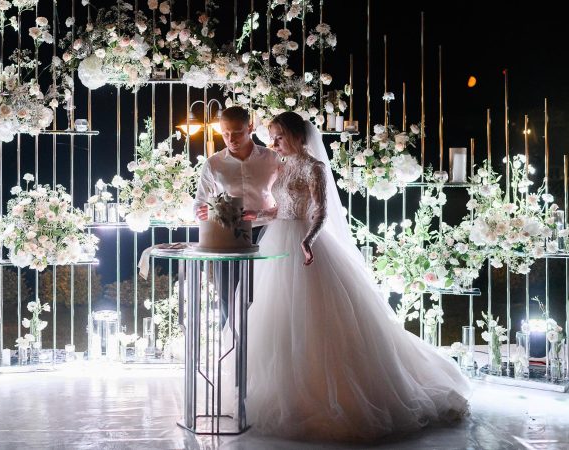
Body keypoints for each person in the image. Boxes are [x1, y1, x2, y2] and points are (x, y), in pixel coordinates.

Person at [243, 111, 470, 442]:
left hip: (306, 244)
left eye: (279, 137)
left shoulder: (314, 167)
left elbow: (320, 211)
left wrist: (308, 240)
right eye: (272, 137)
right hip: (278, 241)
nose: (274, 143)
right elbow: (282, 208)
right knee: (276, 315)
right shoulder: (282, 166)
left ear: (297, 136)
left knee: (316, 320)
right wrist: (258, 214)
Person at [194, 106, 280, 326]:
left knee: (264, 297)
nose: (231, 139)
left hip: (266, 235)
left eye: (237, 133)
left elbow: (286, 201)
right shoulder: (213, 164)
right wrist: (201, 212)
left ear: (250, 127)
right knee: (228, 298)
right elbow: (199, 203)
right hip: (226, 239)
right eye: (225, 134)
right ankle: (230, 344)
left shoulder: (272, 159)